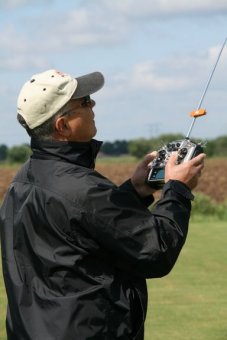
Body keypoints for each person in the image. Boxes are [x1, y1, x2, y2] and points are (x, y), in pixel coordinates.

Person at [0, 69, 205, 340]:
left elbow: (82, 231)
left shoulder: (23, 180)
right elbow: (156, 253)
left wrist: (135, 190)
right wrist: (177, 190)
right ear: (63, 126)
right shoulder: (83, 189)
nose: (93, 105)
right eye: (84, 102)